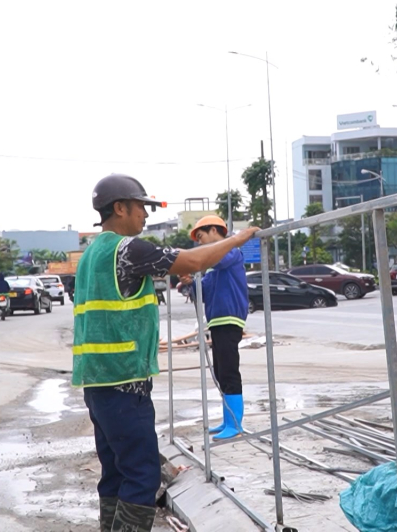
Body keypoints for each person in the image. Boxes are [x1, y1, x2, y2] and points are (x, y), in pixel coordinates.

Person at [74, 173, 259, 532]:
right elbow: (191, 261)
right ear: (120, 208)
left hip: (97, 384)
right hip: (124, 383)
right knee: (142, 476)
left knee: (114, 474)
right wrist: (237, 238)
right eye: (141, 207)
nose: (145, 215)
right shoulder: (128, 248)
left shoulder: (90, 255)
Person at [180, 215, 251, 440]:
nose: (200, 243)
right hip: (218, 322)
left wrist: (200, 260)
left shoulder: (231, 253)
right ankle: (228, 419)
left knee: (229, 371)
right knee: (221, 371)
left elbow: (216, 259)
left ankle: (235, 425)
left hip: (230, 320)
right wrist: (190, 284)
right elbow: (204, 292)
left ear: (214, 230)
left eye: (201, 237)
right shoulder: (213, 267)